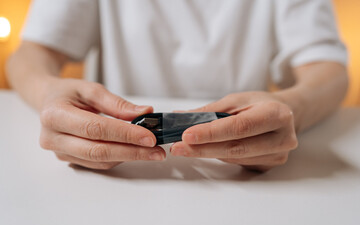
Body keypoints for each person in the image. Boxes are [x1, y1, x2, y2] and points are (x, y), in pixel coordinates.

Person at [6, 0, 348, 171]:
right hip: (118, 181)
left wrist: (294, 109)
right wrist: (47, 91)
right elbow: (31, 54)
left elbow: (329, 70)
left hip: (243, 178)